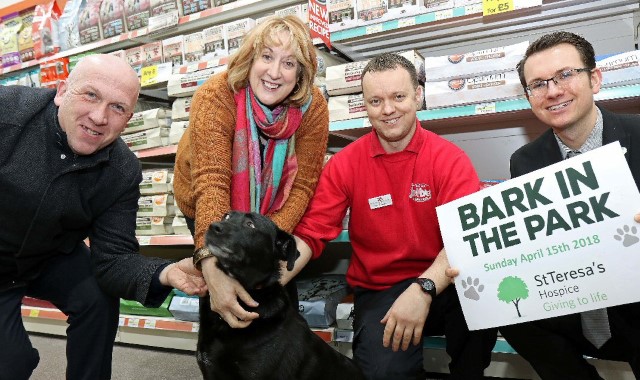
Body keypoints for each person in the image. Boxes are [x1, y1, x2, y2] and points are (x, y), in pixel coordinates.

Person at [291, 53, 498, 380]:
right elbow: (311, 233)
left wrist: (424, 288)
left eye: (398, 97)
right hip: (381, 290)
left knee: (483, 291)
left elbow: (464, 238)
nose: (387, 110)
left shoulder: (449, 160)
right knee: (384, 372)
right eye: (376, 100)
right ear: (365, 104)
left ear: (417, 95)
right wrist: (265, 281)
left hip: (443, 280)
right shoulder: (346, 164)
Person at [0, 54, 207, 380]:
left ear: (128, 119)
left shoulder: (122, 171)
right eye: (90, 95)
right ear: (61, 91)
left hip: (46, 256)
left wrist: (166, 273)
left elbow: (114, 261)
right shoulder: (7, 112)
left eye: (118, 107)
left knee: (97, 296)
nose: (99, 117)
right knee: (12, 363)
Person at [495, 31, 640, 379]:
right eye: (538, 84)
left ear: (594, 79)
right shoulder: (525, 161)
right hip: (570, 303)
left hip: (636, 307)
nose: (554, 91)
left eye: (565, 75)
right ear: (529, 97)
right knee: (503, 308)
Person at [173, 15, 329, 327]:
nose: (274, 72)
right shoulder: (216, 95)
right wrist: (211, 262)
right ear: (250, 58)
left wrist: (263, 238)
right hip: (208, 206)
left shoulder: (313, 108)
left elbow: (303, 185)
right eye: (267, 57)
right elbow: (211, 183)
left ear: (300, 73)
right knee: (221, 294)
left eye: (288, 63)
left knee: (275, 299)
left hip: (273, 213)